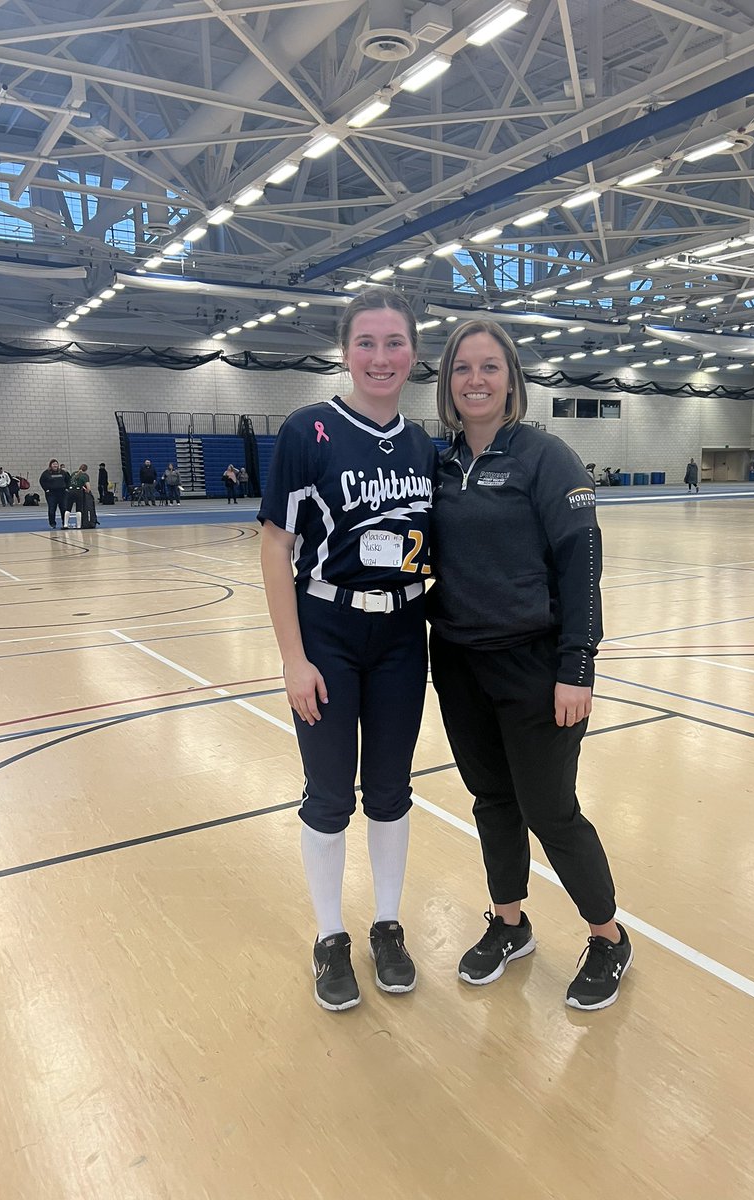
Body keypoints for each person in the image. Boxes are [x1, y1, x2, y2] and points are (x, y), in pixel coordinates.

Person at [427, 319, 632, 1012]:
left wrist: (578, 664)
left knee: (551, 809)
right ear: (447, 384)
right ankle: (509, 924)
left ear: (512, 380)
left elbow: (583, 562)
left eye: (490, 367)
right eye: (463, 369)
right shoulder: (439, 466)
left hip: (536, 667)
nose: (476, 380)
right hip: (458, 665)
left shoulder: (548, 459)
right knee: (493, 801)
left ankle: (608, 936)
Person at [258, 288, 436, 1013]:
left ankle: (386, 926)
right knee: (329, 796)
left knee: (390, 792)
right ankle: (330, 936)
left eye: (394, 343)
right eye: (367, 342)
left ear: (413, 353)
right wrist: (293, 659)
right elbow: (275, 548)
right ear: (345, 352)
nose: (381, 357)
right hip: (327, 633)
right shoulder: (309, 431)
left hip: (402, 636)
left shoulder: (425, 445)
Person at [39, 459, 68, 529]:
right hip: (51, 494)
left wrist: (67, 488)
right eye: (53, 464)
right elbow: (42, 481)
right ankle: (52, 523)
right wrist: (46, 489)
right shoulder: (46, 473)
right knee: (52, 509)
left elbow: (68, 480)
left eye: (56, 464)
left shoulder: (63, 472)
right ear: (50, 465)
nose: (55, 465)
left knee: (64, 509)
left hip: (62, 493)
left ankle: (65, 523)